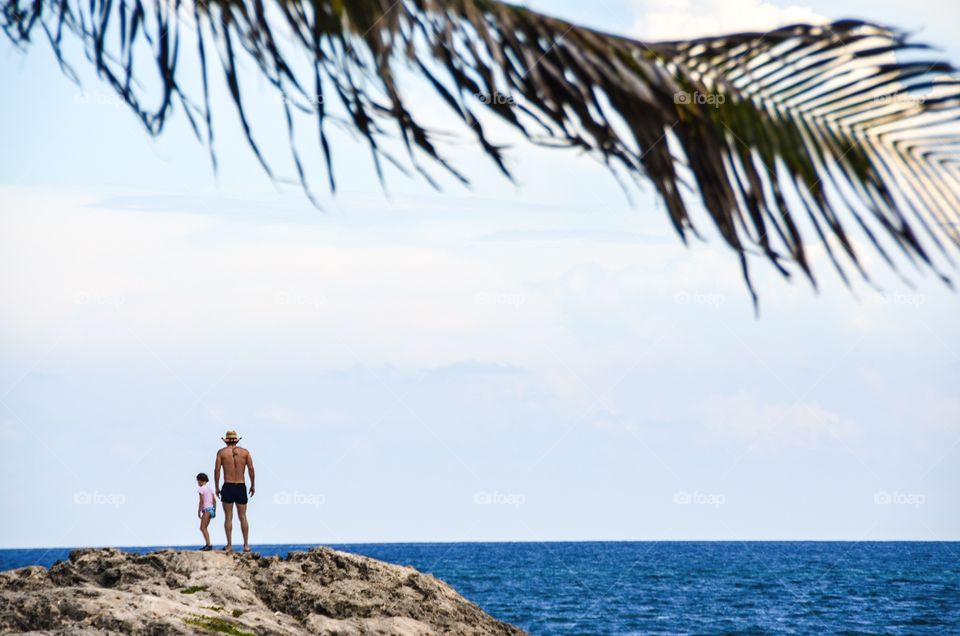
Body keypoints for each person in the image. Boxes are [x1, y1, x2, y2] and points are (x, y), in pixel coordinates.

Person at [214, 430, 255, 553]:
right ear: (237, 440)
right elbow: (251, 469)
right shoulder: (245, 452)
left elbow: (217, 470)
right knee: (243, 516)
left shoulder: (221, 453)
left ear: (226, 441)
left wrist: (216, 486)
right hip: (241, 485)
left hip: (228, 485)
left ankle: (229, 545)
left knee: (228, 517)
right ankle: (246, 545)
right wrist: (253, 485)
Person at [196, 472, 216, 551]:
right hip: (211, 509)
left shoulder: (201, 489)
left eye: (198, 481)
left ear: (200, 480)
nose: (197, 482)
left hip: (206, 509)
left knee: (202, 528)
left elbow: (201, 501)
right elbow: (214, 500)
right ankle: (208, 544)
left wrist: (199, 511)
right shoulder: (210, 489)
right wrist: (214, 510)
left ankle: (209, 544)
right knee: (205, 528)